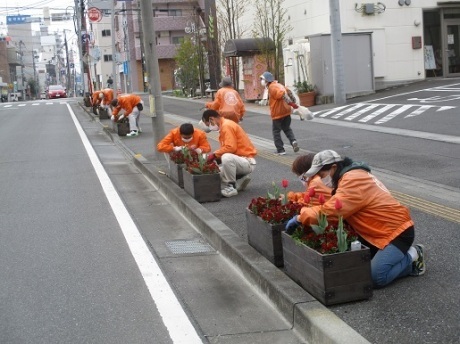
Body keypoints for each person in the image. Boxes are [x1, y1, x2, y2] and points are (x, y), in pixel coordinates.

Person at [285, 150, 426, 288]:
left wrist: (300, 217)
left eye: (321, 175)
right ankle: (391, 257)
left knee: (375, 277)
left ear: (333, 167)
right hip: (375, 230)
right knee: (358, 265)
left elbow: (333, 211)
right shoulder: (346, 177)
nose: (321, 179)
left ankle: (412, 258)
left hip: (396, 232)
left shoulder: (353, 180)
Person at [201, 109, 257, 198]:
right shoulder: (224, 126)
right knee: (216, 174)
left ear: (212, 119)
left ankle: (232, 187)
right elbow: (228, 148)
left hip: (247, 161)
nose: (210, 127)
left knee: (226, 157)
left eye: (209, 124)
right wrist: (216, 158)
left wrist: (214, 155)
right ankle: (241, 178)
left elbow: (231, 147)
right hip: (239, 161)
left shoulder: (226, 126)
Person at [260, 71, 300, 156]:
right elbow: (288, 92)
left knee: (276, 131)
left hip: (278, 113)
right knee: (287, 128)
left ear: (267, 80)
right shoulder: (279, 85)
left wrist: (291, 103)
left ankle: (280, 150)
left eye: (262, 79)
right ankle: (293, 141)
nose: (261, 81)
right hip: (286, 111)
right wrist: (293, 102)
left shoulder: (272, 87)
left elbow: (282, 94)